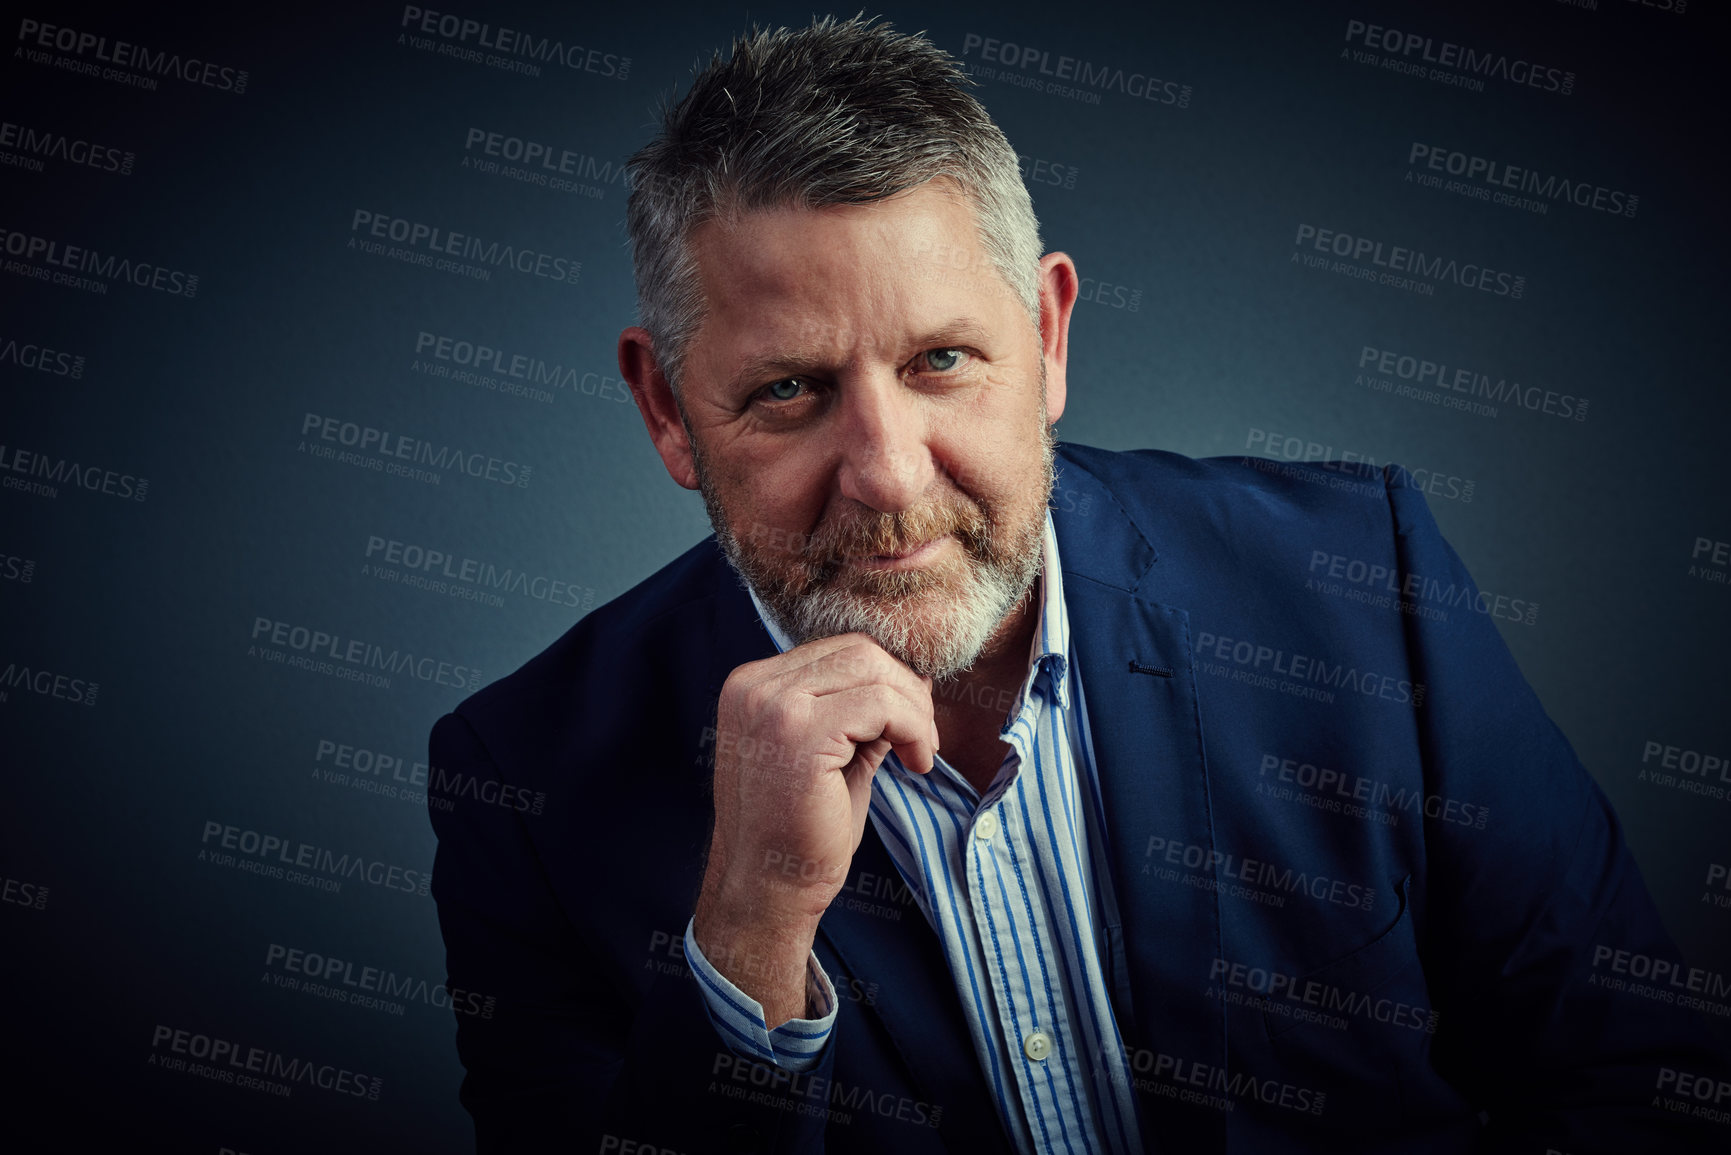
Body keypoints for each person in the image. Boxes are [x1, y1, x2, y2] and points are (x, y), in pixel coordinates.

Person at [426, 16, 1729, 1154]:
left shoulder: (1357, 589)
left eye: (942, 359)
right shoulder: (527, 783)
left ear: (1046, 338)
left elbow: (1643, 1082)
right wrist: (750, 928)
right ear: (667, 410)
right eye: (788, 390)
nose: (884, 474)